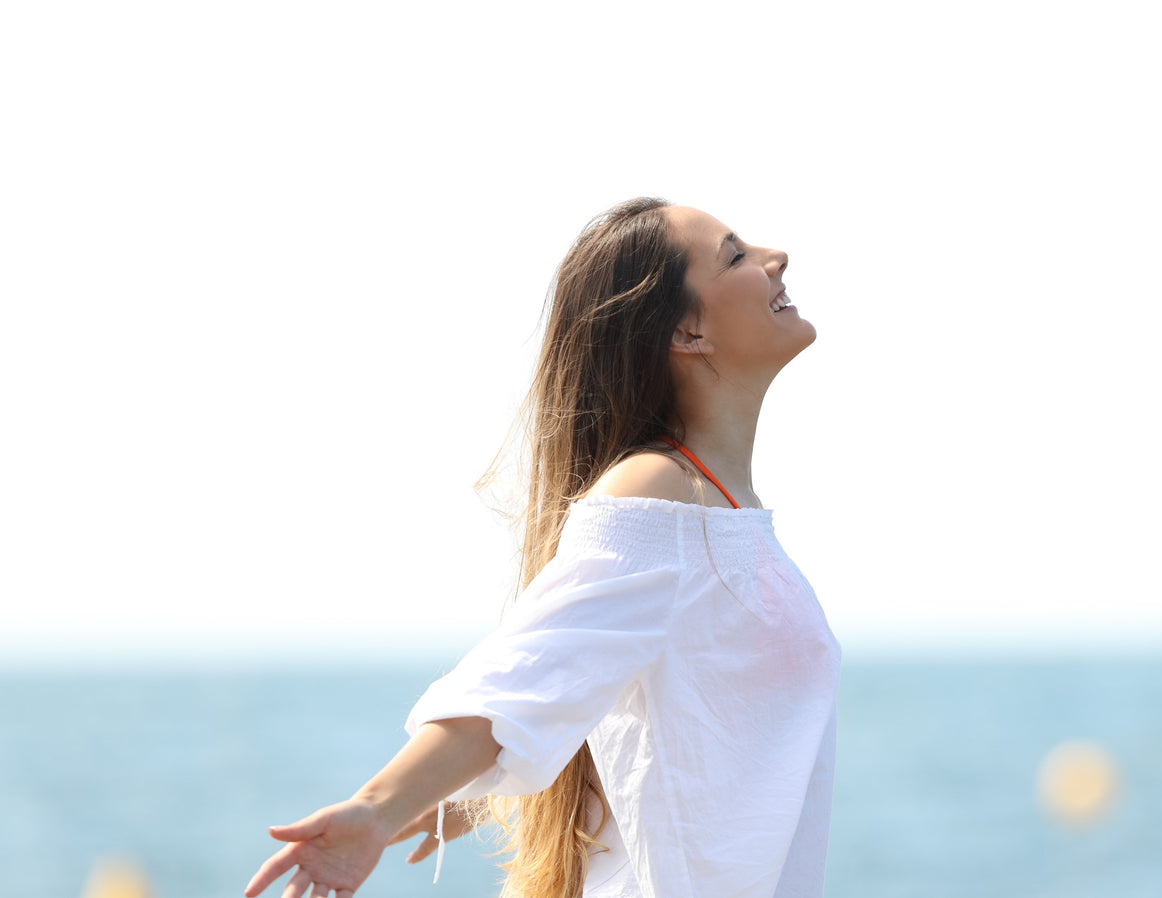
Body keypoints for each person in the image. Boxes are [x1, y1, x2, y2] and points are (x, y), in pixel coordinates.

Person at [243, 198, 841, 898]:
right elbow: (523, 678)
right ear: (687, 329)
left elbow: (619, 699)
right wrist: (379, 809)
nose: (776, 258)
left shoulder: (718, 510)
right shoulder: (655, 495)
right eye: (736, 256)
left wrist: (476, 789)